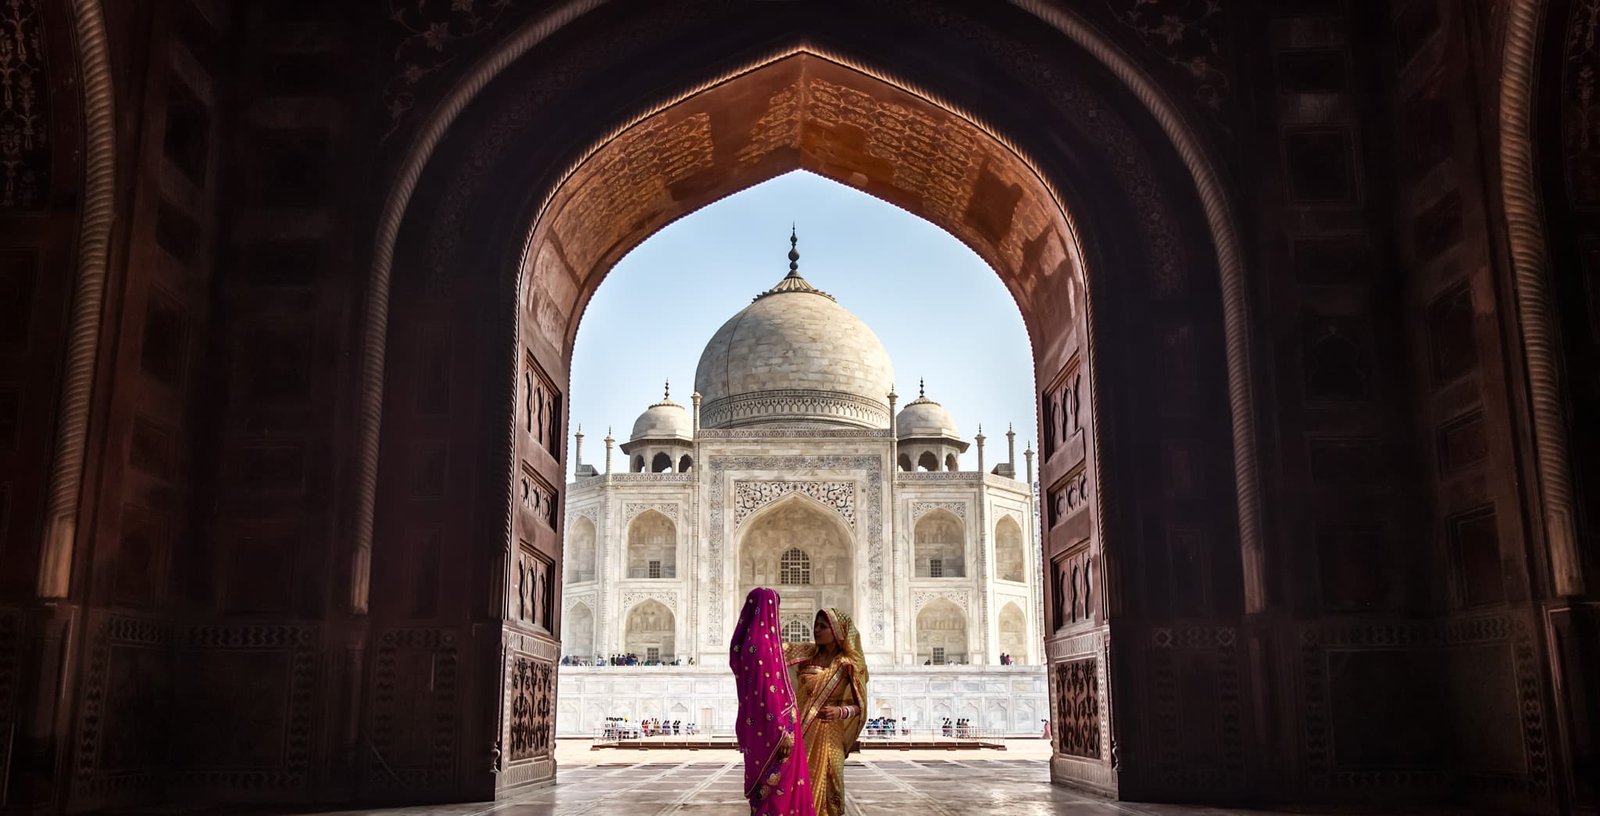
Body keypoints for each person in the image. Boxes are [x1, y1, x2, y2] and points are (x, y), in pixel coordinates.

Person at [730, 588, 814, 816]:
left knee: (764, 792)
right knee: (781, 793)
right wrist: (781, 731)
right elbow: (768, 692)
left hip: (758, 727)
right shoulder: (764, 645)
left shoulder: (751, 642)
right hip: (777, 729)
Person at [785, 609, 867, 816]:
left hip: (831, 732)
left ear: (837, 630)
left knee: (833, 782)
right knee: (799, 783)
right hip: (802, 729)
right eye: (816, 625)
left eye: (823, 626)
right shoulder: (806, 655)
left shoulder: (848, 664)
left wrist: (841, 711)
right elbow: (774, 654)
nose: (816, 630)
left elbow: (861, 706)